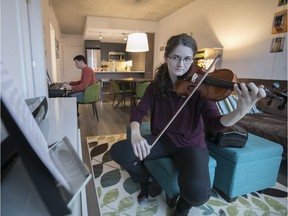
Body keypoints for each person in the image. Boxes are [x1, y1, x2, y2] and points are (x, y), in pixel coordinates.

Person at [109, 33, 266, 216]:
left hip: (191, 145)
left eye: (186, 59)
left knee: (199, 195)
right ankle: (144, 180)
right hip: (163, 140)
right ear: (166, 57)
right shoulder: (155, 86)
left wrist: (240, 111)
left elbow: (214, 124)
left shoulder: (201, 88)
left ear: (192, 60)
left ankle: (182, 206)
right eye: (175, 57)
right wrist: (135, 133)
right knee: (119, 151)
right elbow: (139, 111)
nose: (180, 64)